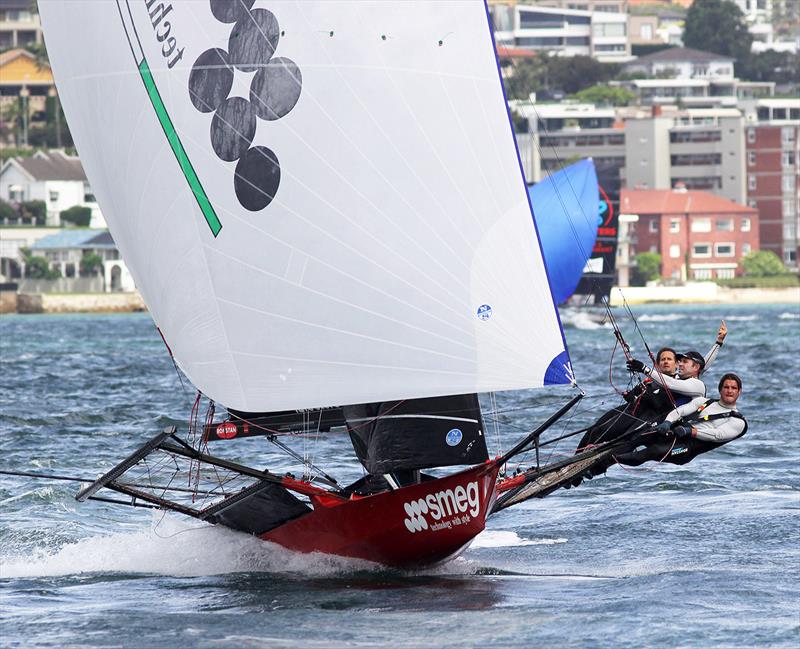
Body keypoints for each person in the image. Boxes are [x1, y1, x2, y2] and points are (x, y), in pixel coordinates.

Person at [613, 372, 747, 467]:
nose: (729, 391)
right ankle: (599, 464)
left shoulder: (738, 421)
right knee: (638, 437)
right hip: (675, 433)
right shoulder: (703, 402)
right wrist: (667, 422)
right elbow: (681, 411)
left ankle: (613, 458)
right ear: (720, 390)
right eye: (726, 387)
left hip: (685, 449)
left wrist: (691, 432)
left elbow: (717, 435)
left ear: (739, 391)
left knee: (651, 452)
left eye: (733, 388)